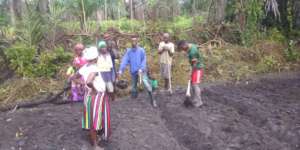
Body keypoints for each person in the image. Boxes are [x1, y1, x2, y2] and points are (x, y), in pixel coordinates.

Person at [71, 47, 111, 148]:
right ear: (95, 58)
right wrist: (93, 88)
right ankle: (95, 145)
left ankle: (95, 137)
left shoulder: (84, 67)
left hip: (88, 96)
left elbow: (73, 78)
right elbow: (89, 81)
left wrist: (83, 83)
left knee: (92, 117)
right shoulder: (94, 68)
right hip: (96, 96)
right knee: (95, 119)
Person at [118, 36, 157, 107]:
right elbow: (124, 61)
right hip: (133, 72)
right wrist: (121, 70)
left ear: (137, 42)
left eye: (135, 41)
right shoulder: (128, 52)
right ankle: (134, 100)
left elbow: (144, 60)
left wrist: (141, 69)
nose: (134, 42)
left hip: (142, 71)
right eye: (132, 41)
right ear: (131, 42)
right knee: (134, 86)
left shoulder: (141, 50)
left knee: (146, 84)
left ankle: (153, 100)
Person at [177, 40, 204, 107]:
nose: (183, 50)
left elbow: (194, 64)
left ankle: (199, 102)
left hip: (198, 69)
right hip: (195, 68)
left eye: (182, 48)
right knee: (192, 84)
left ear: (184, 45)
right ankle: (195, 99)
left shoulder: (192, 52)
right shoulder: (190, 45)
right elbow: (196, 45)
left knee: (195, 85)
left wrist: (191, 73)